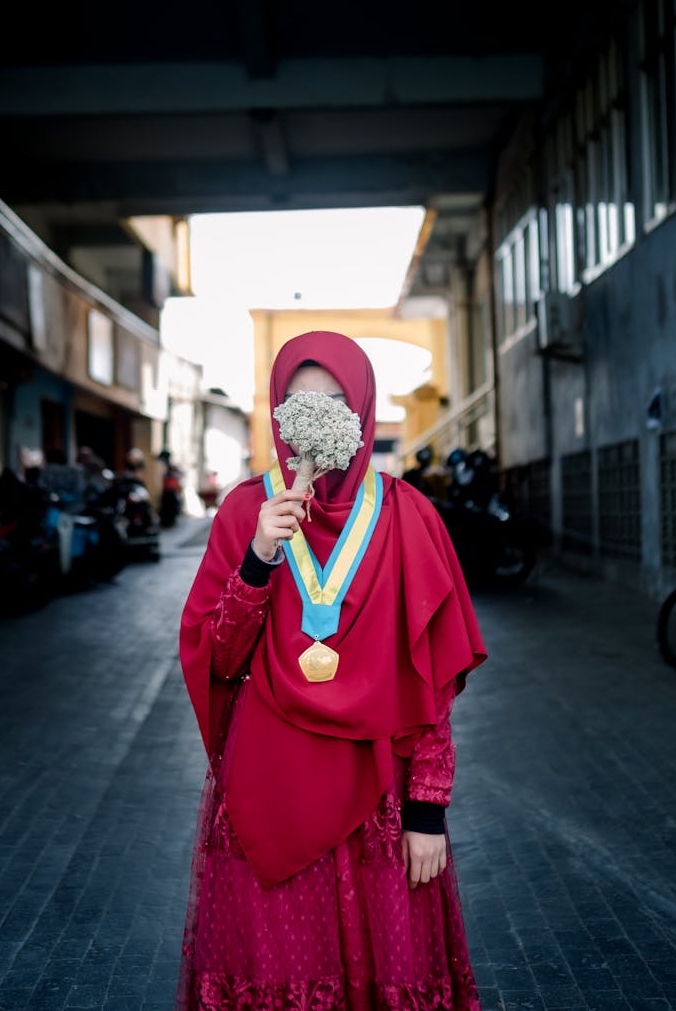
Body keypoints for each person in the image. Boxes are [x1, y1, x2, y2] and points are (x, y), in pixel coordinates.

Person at [177, 331, 487, 1011]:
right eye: (297, 400)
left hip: (378, 792)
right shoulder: (241, 512)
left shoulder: (410, 516)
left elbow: (433, 684)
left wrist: (427, 808)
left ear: (364, 408)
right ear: (276, 411)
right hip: (268, 791)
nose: (314, 415)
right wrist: (259, 554)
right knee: (279, 971)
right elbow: (218, 657)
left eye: (335, 400)